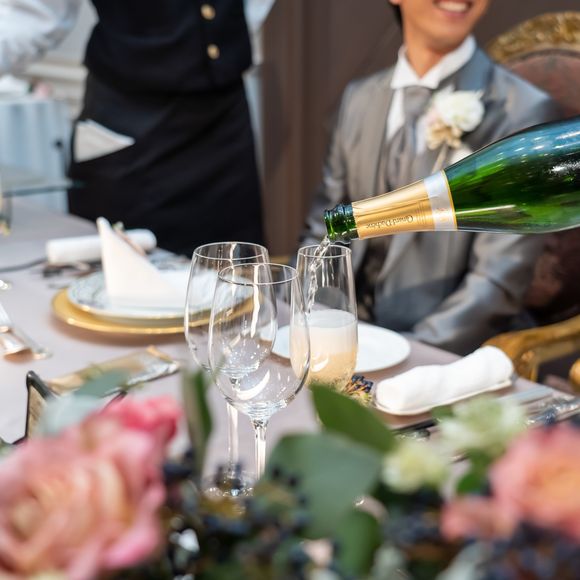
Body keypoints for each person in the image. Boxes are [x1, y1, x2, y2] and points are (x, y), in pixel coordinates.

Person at [302, 0, 560, 355]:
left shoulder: (522, 110)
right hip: (348, 340)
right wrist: (309, 326)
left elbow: (497, 281)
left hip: (445, 352)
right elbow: (321, 230)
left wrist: (406, 354)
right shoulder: (359, 99)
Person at [0, 0, 264, 257]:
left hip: (224, 124)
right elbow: (30, 16)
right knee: (124, 268)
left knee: (234, 269)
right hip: (129, 122)